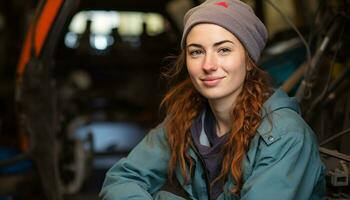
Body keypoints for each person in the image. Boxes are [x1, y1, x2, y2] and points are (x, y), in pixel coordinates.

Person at [100, 0, 326, 199]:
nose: (208, 65)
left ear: (249, 61)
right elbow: (121, 180)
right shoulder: (185, 120)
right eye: (196, 52)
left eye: (224, 50)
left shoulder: (285, 136)